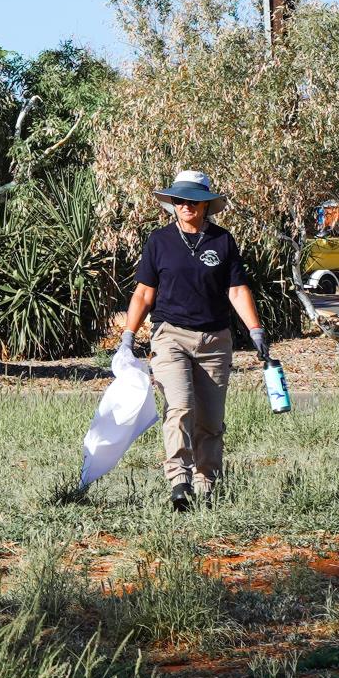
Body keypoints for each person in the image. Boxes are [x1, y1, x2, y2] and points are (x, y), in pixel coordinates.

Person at [117, 170, 267, 512]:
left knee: (211, 422)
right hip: (170, 335)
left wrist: (256, 330)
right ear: (173, 204)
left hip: (215, 340)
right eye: (180, 200)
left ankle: (206, 485)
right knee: (180, 407)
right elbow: (143, 293)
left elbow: (237, 289)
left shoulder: (222, 241)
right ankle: (179, 482)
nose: (187, 206)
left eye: (194, 201)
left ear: (206, 205)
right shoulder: (159, 241)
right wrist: (128, 336)